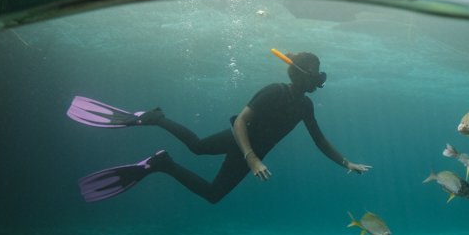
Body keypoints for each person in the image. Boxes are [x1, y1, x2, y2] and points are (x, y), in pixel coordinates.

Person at [68, 50, 371, 203]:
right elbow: (240, 121)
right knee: (198, 148)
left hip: (254, 152)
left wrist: (346, 162)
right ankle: (155, 119)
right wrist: (251, 158)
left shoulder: (304, 106)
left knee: (213, 193)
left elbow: (319, 140)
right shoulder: (274, 91)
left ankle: (162, 163)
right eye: (316, 75)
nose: (319, 81)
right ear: (301, 74)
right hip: (242, 141)